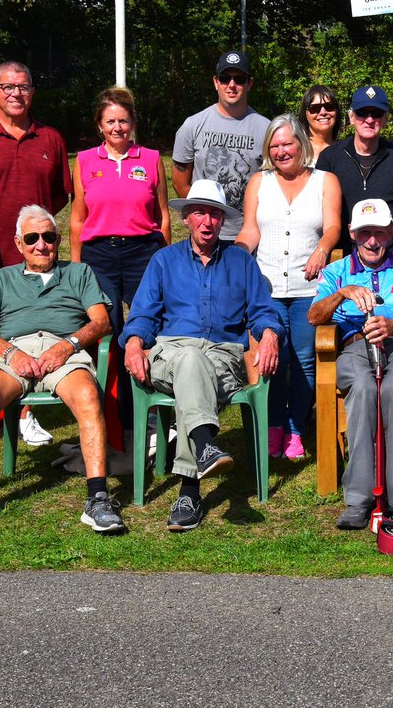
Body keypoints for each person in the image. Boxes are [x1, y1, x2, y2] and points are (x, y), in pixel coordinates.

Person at [0, 206, 123, 542]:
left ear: (58, 241)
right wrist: (11, 352)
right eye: (32, 238)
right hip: (15, 352)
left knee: (86, 395)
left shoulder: (79, 273)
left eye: (49, 237)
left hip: (63, 351)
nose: (41, 245)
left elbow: (101, 322)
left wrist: (66, 347)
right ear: (19, 244)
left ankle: (97, 498)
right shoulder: (0, 279)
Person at [122, 179, 282, 532]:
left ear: (222, 221)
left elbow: (264, 312)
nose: (207, 222)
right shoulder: (164, 261)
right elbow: (143, 315)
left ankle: (189, 490)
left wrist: (269, 336)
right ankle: (204, 451)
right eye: (199, 214)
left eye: (214, 214)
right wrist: (133, 343)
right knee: (189, 360)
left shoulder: (240, 261)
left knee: (194, 367)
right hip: (169, 353)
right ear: (186, 219)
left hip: (222, 357)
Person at [0, 61, 72, 445]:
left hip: (34, 260)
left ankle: (26, 413)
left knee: (33, 333)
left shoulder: (50, 138)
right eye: (7, 87)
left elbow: (58, 196)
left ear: (32, 91)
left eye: (23, 86)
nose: (15, 93)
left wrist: (34, 236)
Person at [308, 199, 393, 529]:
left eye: (378, 233)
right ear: (352, 234)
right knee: (361, 388)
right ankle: (359, 498)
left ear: (391, 231)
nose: (372, 241)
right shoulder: (336, 272)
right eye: (364, 234)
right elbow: (314, 316)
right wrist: (343, 293)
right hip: (355, 346)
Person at [235, 115, 342, 460]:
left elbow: (333, 227)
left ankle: (297, 428)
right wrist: (238, 253)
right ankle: (275, 424)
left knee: (306, 361)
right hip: (267, 287)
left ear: (301, 144)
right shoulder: (258, 182)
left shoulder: (325, 181)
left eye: (287, 144)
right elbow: (251, 229)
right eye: (275, 146)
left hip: (307, 287)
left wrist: (322, 250)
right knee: (272, 360)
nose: (282, 151)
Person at [70, 87, 171, 368]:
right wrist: (77, 267)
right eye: (110, 121)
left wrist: (165, 259)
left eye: (123, 121)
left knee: (149, 323)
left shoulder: (151, 159)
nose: (117, 127)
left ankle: (148, 401)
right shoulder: (85, 160)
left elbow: (163, 214)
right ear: (99, 125)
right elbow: (77, 217)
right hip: (99, 255)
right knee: (107, 325)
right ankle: (114, 404)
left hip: (143, 252)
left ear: (133, 123)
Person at [316, 85, 393, 259]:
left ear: (385, 119)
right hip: (347, 263)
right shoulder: (330, 158)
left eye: (376, 113)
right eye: (362, 113)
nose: (369, 119)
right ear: (351, 117)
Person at [171, 50, 270, 241]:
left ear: (249, 83)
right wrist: (200, 217)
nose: (231, 85)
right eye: (225, 78)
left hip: (248, 236)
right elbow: (180, 182)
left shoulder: (266, 129)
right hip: (205, 236)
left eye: (239, 79)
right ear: (216, 82)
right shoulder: (192, 125)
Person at [299, 85, 342, 157]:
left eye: (329, 106)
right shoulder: (297, 150)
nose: (323, 112)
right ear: (305, 113)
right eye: (315, 108)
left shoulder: (346, 151)